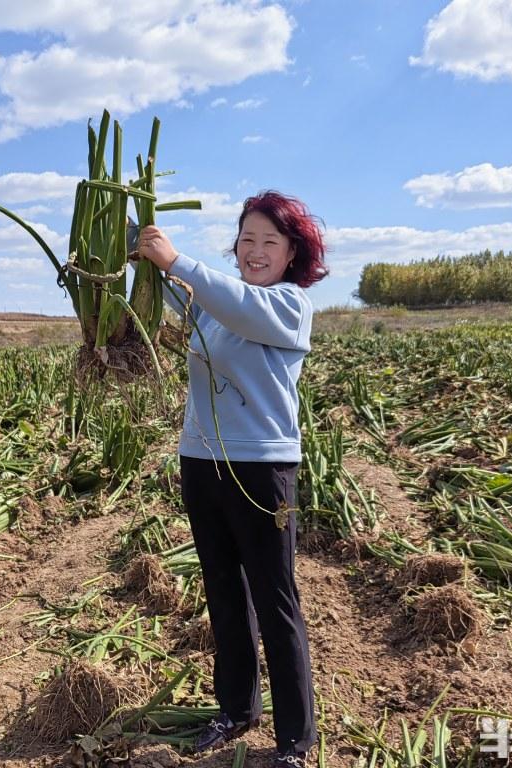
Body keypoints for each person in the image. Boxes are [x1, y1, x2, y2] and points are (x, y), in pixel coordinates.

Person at [136, 190, 328, 767]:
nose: (255, 250)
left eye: (270, 240)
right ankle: (236, 708)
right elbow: (177, 292)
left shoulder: (290, 306)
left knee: (275, 598)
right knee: (222, 591)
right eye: (247, 239)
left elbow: (233, 300)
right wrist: (127, 243)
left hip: (262, 469)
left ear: (293, 251)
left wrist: (175, 261)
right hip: (201, 464)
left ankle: (295, 738)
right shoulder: (213, 307)